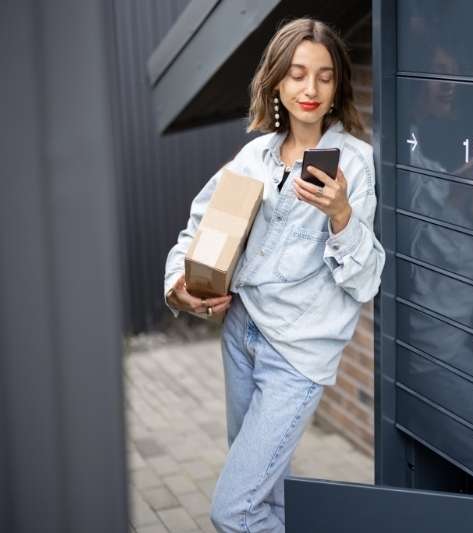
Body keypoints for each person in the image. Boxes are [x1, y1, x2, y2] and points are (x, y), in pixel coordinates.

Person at [162, 18, 385, 533]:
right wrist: (179, 289)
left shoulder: (355, 164)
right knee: (267, 498)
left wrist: (342, 215)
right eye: (298, 73)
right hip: (241, 336)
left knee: (234, 510)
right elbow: (198, 231)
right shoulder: (254, 156)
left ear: (338, 87)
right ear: (277, 82)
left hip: (296, 358)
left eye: (325, 77)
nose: (310, 89)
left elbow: (367, 281)